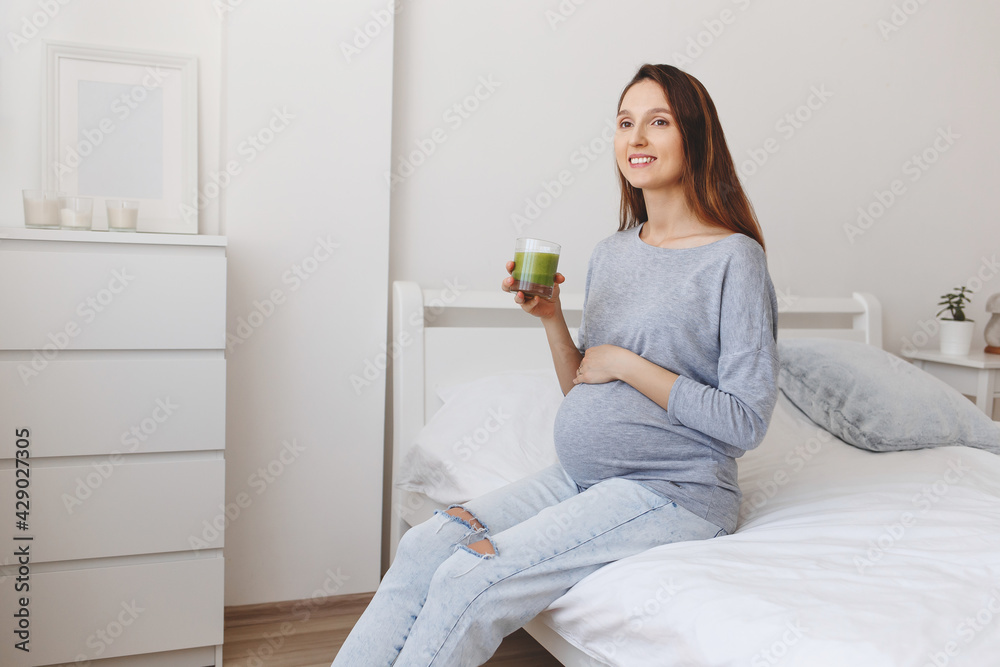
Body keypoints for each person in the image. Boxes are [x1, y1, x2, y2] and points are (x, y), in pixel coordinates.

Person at [332, 63, 779, 667]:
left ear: (696, 137)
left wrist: (625, 362)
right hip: (579, 480)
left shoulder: (735, 259)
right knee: (424, 546)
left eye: (658, 121)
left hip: (674, 491)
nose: (636, 138)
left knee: (470, 579)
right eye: (625, 123)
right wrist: (552, 317)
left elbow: (745, 421)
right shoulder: (613, 253)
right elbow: (581, 384)